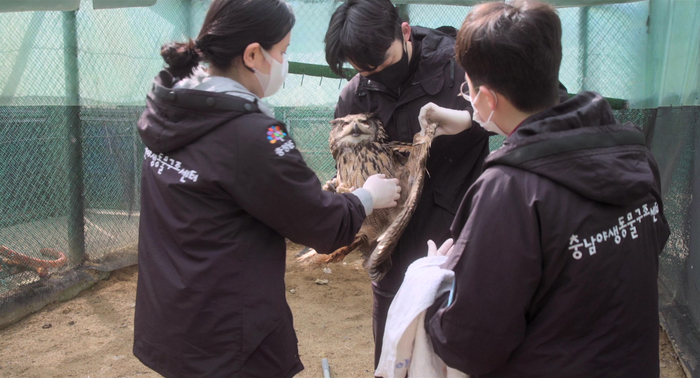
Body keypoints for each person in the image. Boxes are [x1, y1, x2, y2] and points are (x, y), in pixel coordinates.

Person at [133, 0, 401, 377]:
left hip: (172, 317)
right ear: (253, 55)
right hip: (229, 335)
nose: (285, 61)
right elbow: (318, 223)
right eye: (284, 51)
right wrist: (367, 196)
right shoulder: (256, 135)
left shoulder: (170, 109)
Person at [419, 1, 671, 377]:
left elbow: (468, 341)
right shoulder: (631, 151)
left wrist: (435, 283)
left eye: (467, 88)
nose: (468, 97)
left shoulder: (508, 188)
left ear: (486, 99)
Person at [323, 0, 491, 368]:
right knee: (393, 342)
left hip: (454, 232)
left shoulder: (460, 63)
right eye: (364, 69)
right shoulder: (355, 93)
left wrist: (471, 119)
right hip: (390, 243)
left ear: (404, 31)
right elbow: (345, 159)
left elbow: (529, 106)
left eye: (382, 63)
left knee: (450, 344)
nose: (375, 74)